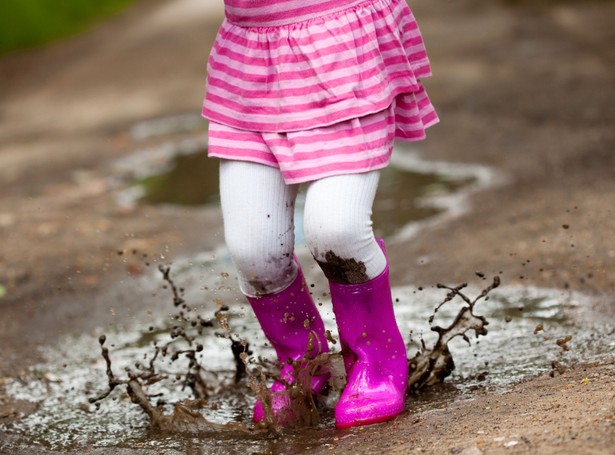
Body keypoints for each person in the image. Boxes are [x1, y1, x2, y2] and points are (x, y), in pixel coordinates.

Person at [202, 0, 438, 429]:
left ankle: (376, 362)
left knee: (338, 232)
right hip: (251, 66)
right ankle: (306, 366)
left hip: (342, 48)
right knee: (255, 253)